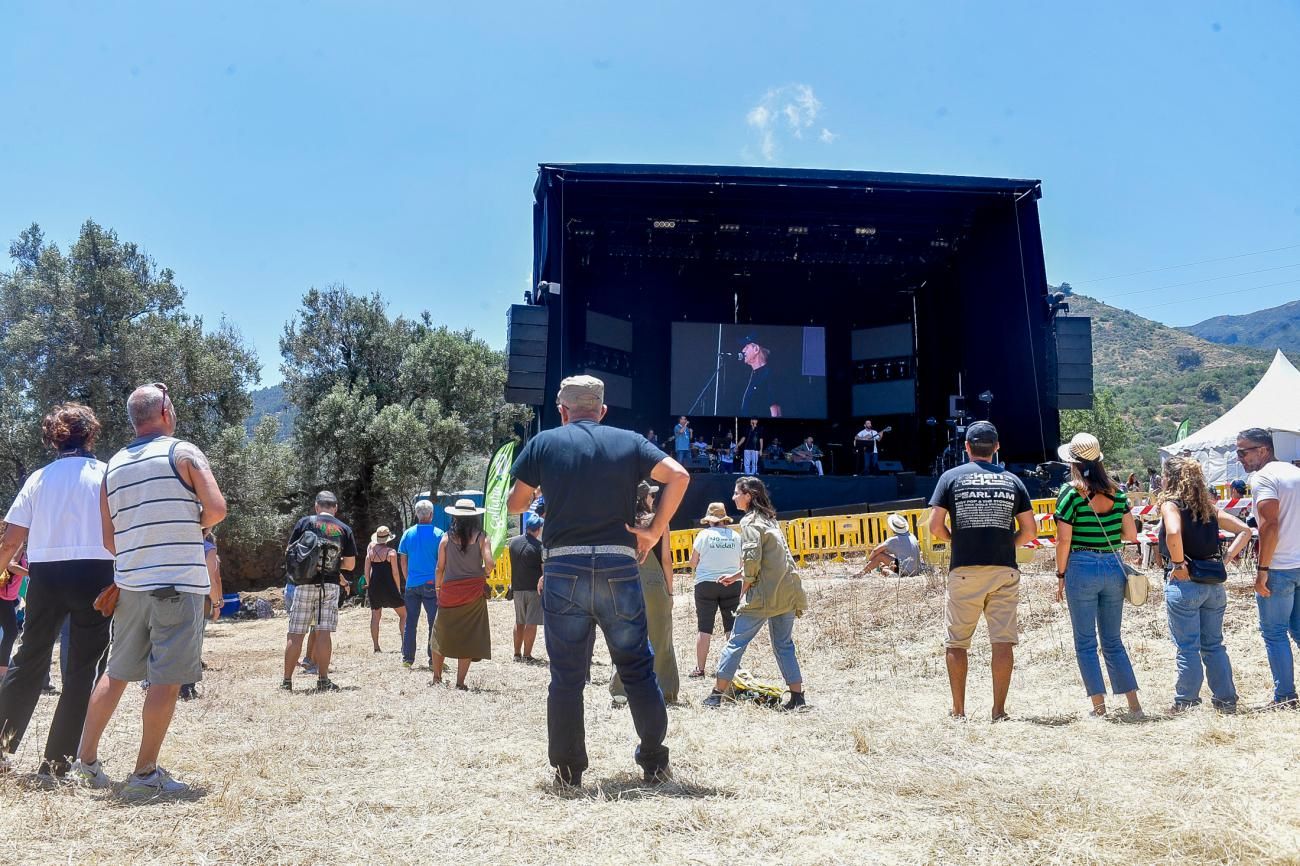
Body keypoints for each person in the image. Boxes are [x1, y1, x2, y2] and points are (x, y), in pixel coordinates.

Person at [506, 374, 689, 787]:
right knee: (637, 666)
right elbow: (678, 475)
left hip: (563, 568)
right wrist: (654, 531)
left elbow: (516, 502)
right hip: (619, 566)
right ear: (602, 410)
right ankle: (654, 761)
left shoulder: (545, 443)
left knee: (567, 676)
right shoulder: (628, 441)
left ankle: (569, 772)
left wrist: (541, 494)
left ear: (562, 411)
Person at [73, 385, 227, 796]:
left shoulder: (114, 465)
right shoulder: (184, 452)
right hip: (176, 584)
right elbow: (216, 509)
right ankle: (144, 775)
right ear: (164, 410)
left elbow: (109, 540)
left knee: (117, 673)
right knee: (166, 680)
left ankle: (84, 763)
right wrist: (186, 525)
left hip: (129, 585)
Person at [0, 404, 115, 780]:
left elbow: (11, 539)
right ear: (91, 435)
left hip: (46, 576)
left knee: (29, 659)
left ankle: (1, 747)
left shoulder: (38, 479)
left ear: (53, 438)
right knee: (81, 671)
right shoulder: (105, 475)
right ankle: (56, 765)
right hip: (97, 573)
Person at [928, 421, 1035, 721]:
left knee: (957, 642)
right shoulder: (1014, 481)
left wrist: (956, 540)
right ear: (997, 448)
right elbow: (1029, 531)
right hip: (1004, 569)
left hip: (965, 569)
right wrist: (1007, 544)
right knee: (1002, 642)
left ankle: (958, 710)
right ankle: (999, 711)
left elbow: (935, 527)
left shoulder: (950, 478)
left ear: (967, 448)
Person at [1052, 432, 1143, 718]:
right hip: (1113, 566)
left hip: (1081, 566)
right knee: (1113, 640)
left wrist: (1060, 574)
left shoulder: (1070, 494)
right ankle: (1133, 704)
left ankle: (1099, 707)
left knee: (1085, 641)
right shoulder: (1118, 493)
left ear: (1073, 463)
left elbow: (1063, 541)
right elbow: (1131, 534)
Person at [703, 477, 808, 710]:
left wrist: (744, 590)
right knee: (784, 645)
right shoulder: (770, 521)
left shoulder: (750, 522)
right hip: (787, 591)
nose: (733, 497)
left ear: (748, 495)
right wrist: (736, 575)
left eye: (736, 493)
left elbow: (753, 563)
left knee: (735, 643)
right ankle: (798, 698)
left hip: (763, 595)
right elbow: (770, 560)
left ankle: (716, 695)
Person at [1159, 456, 1251, 713]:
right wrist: (1227, 556)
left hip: (1185, 584)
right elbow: (1245, 530)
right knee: (1214, 645)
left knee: (1187, 646)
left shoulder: (1171, 505)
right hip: (1213, 582)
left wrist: (1178, 565)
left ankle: (1186, 701)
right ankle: (1226, 699)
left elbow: (1174, 532)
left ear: (1172, 479)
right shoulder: (1208, 507)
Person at [1236, 427, 1300, 707]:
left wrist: (1262, 569)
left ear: (1263, 449)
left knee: (1274, 633)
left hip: (1279, 567)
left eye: (1243, 451)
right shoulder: (1295, 473)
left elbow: (1270, 525)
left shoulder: (1263, 478)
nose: (1239, 457)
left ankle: (1285, 696)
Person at [280, 490, 357, 692]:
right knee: (323, 633)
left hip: (303, 583)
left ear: (316, 506)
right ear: (335, 508)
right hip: (330, 584)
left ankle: (287, 682)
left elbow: (289, 552)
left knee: (295, 634)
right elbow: (349, 564)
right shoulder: (344, 528)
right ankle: (323, 680)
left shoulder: (305, 523)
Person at [611, 482, 679, 705]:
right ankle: (665, 690)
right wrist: (669, 592)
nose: (653, 498)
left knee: (626, 636)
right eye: (651, 495)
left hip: (624, 582)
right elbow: (666, 560)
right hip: (653, 583)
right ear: (646, 498)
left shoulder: (620, 524)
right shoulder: (658, 522)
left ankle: (620, 690)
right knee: (661, 637)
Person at [431, 499, 495, 690]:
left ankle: (437, 677)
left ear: (454, 517)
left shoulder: (445, 538)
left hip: (449, 592)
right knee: (469, 634)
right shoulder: (482, 537)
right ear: (475, 516)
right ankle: (460, 682)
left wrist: (437, 590)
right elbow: (490, 564)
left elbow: (439, 568)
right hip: (474, 593)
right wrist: (481, 573)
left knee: (439, 634)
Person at [689, 502, 742, 678]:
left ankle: (700, 669)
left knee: (704, 628)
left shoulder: (703, 535)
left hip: (706, 584)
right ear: (724, 519)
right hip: (732, 583)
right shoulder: (736, 536)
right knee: (731, 627)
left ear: (709, 520)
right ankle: (734, 667)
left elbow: (693, 562)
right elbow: (742, 563)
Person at [179, 530, 224, 701]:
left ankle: (152, 682)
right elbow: (211, 578)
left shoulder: (179, 545)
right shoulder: (207, 548)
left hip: (169, 596)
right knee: (193, 642)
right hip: (195, 597)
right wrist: (216, 603)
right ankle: (187, 688)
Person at [399, 499, 443, 669]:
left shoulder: (407, 534)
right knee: (434, 621)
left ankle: (407, 659)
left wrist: (407, 578)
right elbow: (442, 562)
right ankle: (433, 660)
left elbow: (403, 559)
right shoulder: (439, 534)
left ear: (416, 514)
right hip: (432, 583)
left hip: (412, 583)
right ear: (431, 515)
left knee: (411, 621)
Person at [509, 515, 545, 663]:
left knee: (519, 621)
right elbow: (544, 570)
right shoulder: (539, 547)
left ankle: (516, 654)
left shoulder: (513, 542)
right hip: (533, 589)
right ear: (537, 530)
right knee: (531, 623)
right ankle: (527, 655)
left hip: (517, 588)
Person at [364, 526, 406, 654]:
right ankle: (405, 644)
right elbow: (395, 573)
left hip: (374, 586)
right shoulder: (391, 552)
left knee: (375, 617)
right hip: (389, 586)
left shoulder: (370, 552)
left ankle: (376, 647)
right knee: (404, 614)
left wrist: (369, 585)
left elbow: (366, 572)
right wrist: (398, 588)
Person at [738, 333, 782, 417]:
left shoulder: (769, 375)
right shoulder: (751, 375)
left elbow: (776, 412)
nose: (743, 350)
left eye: (746, 347)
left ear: (756, 349)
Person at [0, 540, 26, 679]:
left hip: (8, 597)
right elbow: (11, 566)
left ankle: (3, 672)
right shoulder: (17, 544)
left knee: (9, 632)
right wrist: (31, 573)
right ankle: (2, 673)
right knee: (10, 632)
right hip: (2, 596)